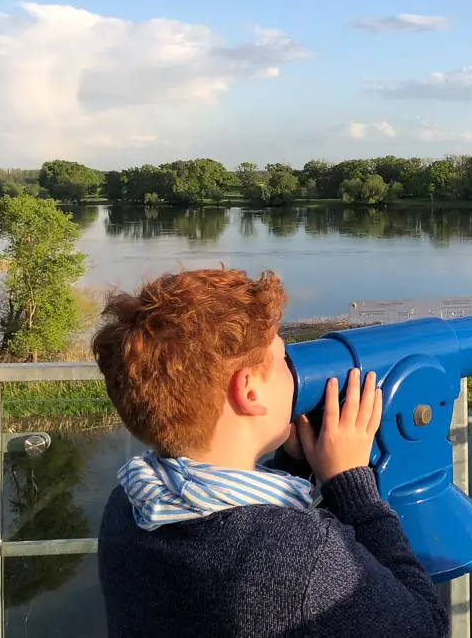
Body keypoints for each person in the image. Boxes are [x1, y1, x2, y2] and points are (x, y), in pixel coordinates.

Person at [90, 267, 450, 638]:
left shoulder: (127, 505)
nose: (294, 372)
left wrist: (292, 466)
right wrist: (352, 486)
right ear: (249, 392)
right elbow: (424, 627)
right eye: (282, 359)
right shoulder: (302, 554)